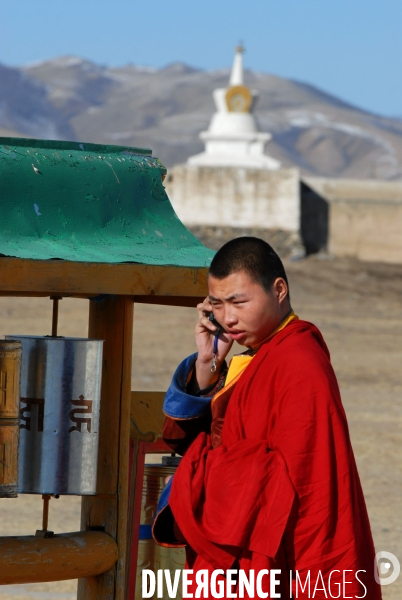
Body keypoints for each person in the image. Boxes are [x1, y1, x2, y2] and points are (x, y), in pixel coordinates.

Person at [152, 237, 381, 599]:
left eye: (238, 302)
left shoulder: (298, 363)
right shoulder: (256, 356)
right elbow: (188, 439)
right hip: (240, 542)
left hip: (278, 555)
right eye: (217, 304)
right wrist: (208, 362)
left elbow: (305, 486)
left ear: (278, 290)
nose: (227, 318)